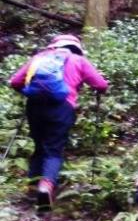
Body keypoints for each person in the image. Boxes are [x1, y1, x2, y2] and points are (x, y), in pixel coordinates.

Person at [8, 34, 108, 210]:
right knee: (53, 148)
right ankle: (45, 187)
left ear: (53, 46)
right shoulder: (78, 60)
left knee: (39, 144)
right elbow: (100, 85)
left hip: (35, 107)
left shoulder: (39, 58)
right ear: (76, 48)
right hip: (62, 108)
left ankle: (32, 187)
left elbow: (16, 82)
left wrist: (31, 93)